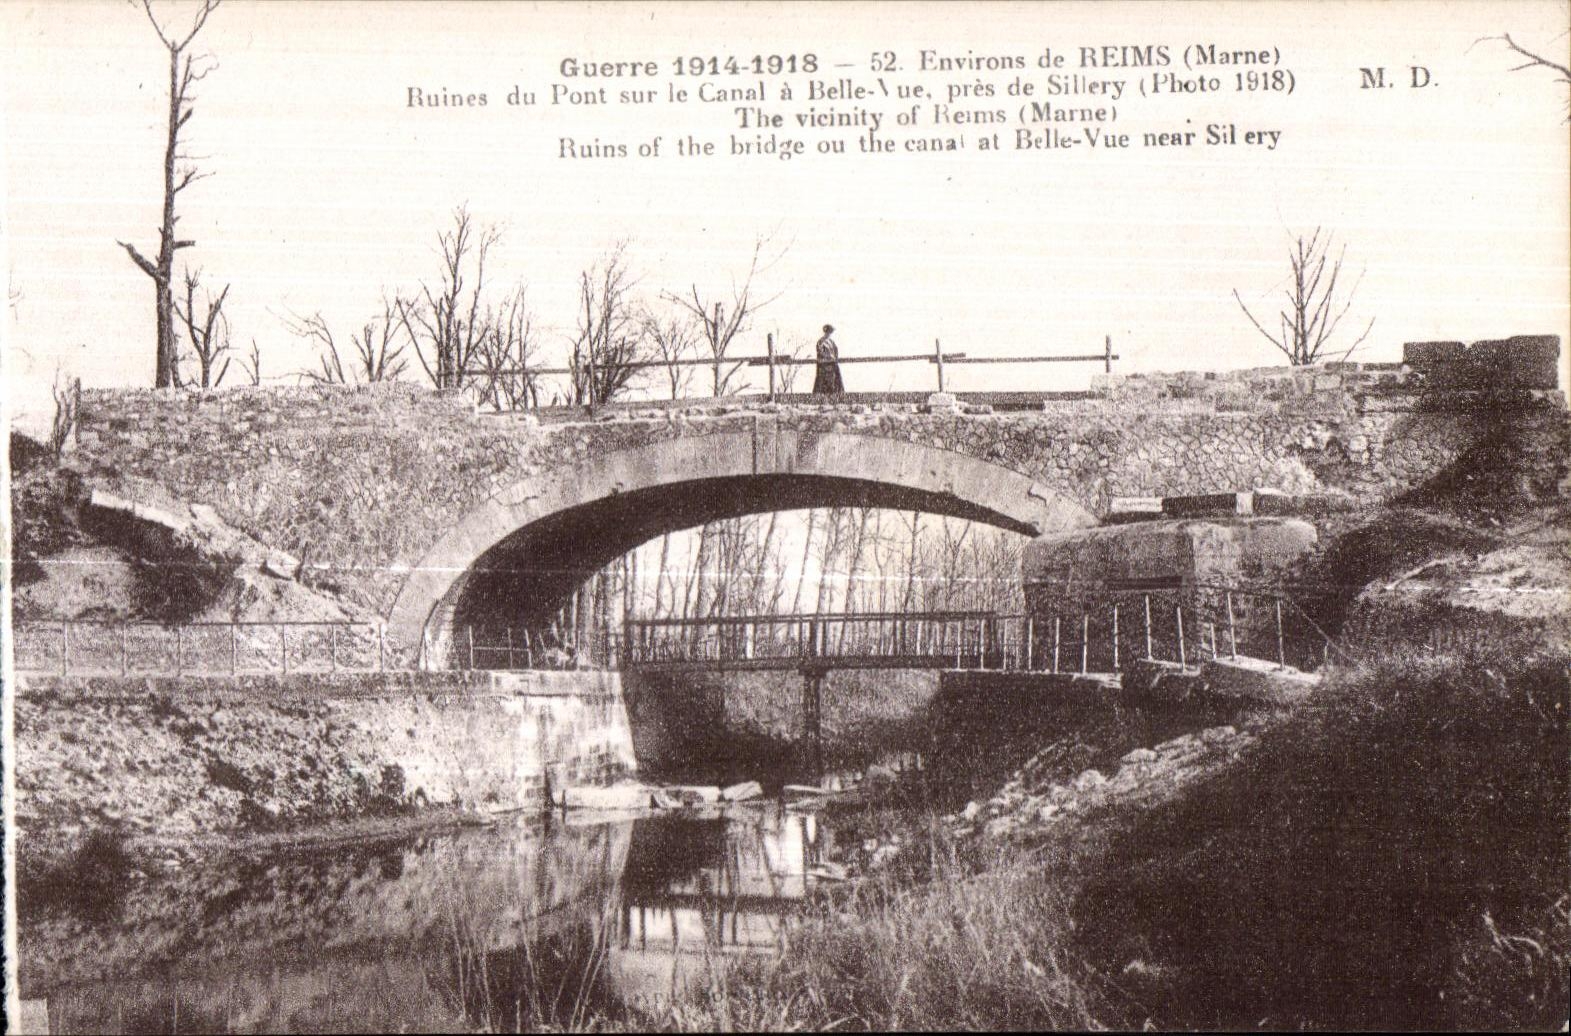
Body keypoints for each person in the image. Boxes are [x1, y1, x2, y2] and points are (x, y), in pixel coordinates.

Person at [813, 324, 845, 395]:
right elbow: (820, 352)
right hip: (824, 364)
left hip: (832, 364)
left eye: (830, 332)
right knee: (823, 382)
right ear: (826, 332)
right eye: (829, 332)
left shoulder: (831, 341)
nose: (829, 334)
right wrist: (829, 357)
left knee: (834, 381)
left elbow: (836, 351)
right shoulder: (821, 342)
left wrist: (834, 358)